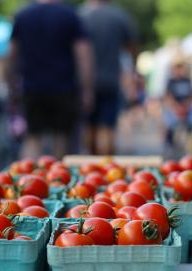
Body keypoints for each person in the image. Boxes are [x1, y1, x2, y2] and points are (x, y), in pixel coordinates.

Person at [9, 0, 93, 159]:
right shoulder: (70, 15)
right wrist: (87, 89)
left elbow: (11, 54)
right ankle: (57, 180)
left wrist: (10, 83)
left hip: (31, 87)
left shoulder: (23, 15)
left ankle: (26, 179)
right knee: (61, 139)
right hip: (64, 88)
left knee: (32, 137)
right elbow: (83, 54)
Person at [80, 0, 137, 155]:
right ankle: (106, 169)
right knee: (107, 127)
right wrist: (132, 74)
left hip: (84, 83)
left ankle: (91, 169)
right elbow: (132, 47)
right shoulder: (119, 16)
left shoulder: (80, 15)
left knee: (88, 127)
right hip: (111, 80)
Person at [163, 60, 192, 149]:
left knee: (191, 121)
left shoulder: (188, 81)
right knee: (169, 121)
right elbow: (168, 97)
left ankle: (190, 142)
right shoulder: (171, 81)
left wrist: (185, 107)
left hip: (186, 108)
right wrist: (177, 107)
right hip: (174, 108)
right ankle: (169, 143)